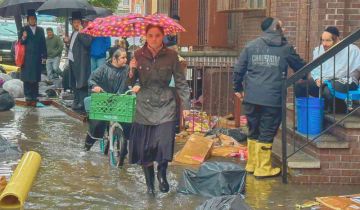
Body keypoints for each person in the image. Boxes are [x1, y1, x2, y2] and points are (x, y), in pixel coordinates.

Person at [233, 17, 307, 179]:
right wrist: (304, 76)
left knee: (253, 130)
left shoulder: (251, 46)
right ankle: (263, 168)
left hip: (252, 97)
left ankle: (251, 165)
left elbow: (238, 69)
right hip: (272, 99)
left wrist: (237, 88)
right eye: (282, 26)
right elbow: (301, 67)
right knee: (267, 132)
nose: (284, 29)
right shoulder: (286, 48)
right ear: (276, 28)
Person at [127, 25, 191, 194]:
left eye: (157, 35)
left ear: (163, 36)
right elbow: (128, 83)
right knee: (145, 147)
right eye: (150, 35)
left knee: (164, 142)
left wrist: (186, 105)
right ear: (146, 37)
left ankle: (161, 173)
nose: (154, 38)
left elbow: (180, 81)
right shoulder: (137, 55)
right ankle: (150, 188)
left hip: (165, 102)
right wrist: (131, 69)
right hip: (145, 103)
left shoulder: (171, 55)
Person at [84, 48, 140, 151]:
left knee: (128, 122)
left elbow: (137, 79)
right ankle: (87, 146)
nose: (125, 60)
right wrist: (95, 86)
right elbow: (91, 79)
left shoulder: (128, 69)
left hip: (122, 102)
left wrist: (137, 85)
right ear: (115, 59)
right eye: (122, 58)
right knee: (96, 123)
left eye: (125, 57)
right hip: (105, 101)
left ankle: (124, 145)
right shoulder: (103, 69)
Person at [295, 26, 360, 112]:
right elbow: (315, 68)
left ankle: (339, 108)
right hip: (324, 80)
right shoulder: (319, 50)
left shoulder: (351, 50)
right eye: (323, 40)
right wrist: (317, 78)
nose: (324, 44)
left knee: (328, 88)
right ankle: (305, 113)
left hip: (346, 81)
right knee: (300, 86)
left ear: (337, 39)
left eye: (328, 40)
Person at [64, 11, 93, 110]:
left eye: (78, 22)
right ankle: (76, 100)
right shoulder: (73, 33)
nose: (76, 24)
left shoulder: (86, 31)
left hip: (81, 62)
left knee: (81, 82)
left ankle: (82, 102)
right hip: (73, 61)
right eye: (74, 23)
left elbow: (87, 43)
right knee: (74, 81)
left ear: (81, 22)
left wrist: (81, 33)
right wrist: (67, 43)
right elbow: (73, 46)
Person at [19, 9, 47, 102]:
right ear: (28, 19)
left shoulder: (40, 30)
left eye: (34, 18)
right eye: (30, 18)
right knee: (27, 76)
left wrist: (44, 55)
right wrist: (23, 37)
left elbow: (43, 43)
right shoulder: (23, 29)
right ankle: (28, 95)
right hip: (26, 57)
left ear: (36, 19)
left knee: (36, 76)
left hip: (37, 56)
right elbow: (20, 43)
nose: (32, 20)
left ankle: (35, 95)